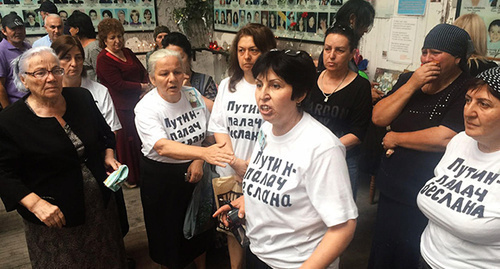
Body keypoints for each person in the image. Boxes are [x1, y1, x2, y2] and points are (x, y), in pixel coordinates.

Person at [214, 49, 358, 269]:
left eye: (276, 85)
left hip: (296, 264)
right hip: (258, 254)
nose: (263, 94)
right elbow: (270, 179)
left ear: (300, 94)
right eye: (260, 84)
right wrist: (248, 202)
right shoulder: (266, 130)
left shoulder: (323, 148)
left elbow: (344, 226)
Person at [0, 46, 127, 268]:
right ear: (24, 79)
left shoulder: (81, 98)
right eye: (40, 72)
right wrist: (35, 203)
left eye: (56, 70)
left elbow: (105, 133)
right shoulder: (10, 121)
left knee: (107, 255)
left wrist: (108, 154)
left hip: (99, 204)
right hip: (54, 214)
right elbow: (3, 173)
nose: (50, 78)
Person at [368, 24, 473, 269]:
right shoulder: (409, 79)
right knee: (383, 251)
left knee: (410, 253)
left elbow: (445, 137)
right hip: (392, 183)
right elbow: (379, 117)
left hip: (427, 190)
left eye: (435, 53)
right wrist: (412, 84)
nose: (427, 59)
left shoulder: (466, 88)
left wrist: (396, 139)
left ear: (457, 58)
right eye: (424, 52)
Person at [135, 48, 233, 269]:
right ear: (152, 78)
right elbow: (161, 146)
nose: (172, 78)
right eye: (164, 74)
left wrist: (200, 158)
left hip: (195, 172)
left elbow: (208, 133)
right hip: (163, 179)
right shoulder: (146, 107)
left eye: (177, 72)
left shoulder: (192, 94)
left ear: (185, 74)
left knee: (200, 226)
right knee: (167, 233)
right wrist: (202, 154)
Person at [417, 67, 500, 268]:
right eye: (468, 100)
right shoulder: (461, 141)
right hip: (427, 259)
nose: (469, 112)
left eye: (484, 104)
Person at [208, 23, 276, 269]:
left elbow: (275, 132)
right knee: (233, 230)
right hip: (230, 173)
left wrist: (249, 167)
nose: (246, 57)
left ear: (267, 51)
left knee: (262, 230)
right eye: (241, 50)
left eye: (254, 50)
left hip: (261, 174)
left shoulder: (273, 86)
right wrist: (234, 162)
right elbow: (219, 127)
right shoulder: (228, 85)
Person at [305, 26, 372, 200]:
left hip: (342, 160)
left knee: (340, 213)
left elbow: (358, 133)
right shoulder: (311, 79)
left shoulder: (360, 86)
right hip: (308, 157)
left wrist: (324, 149)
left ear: (352, 54)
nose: (331, 55)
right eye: (327, 49)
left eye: (339, 50)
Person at [96, 18, 150, 188]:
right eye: (112, 37)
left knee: (141, 139)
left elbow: (143, 71)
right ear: (104, 39)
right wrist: (142, 87)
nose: (117, 40)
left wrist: (145, 89)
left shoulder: (127, 52)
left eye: (119, 36)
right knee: (128, 142)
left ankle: (144, 173)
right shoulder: (103, 59)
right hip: (121, 107)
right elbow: (118, 84)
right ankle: (131, 177)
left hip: (139, 102)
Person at [52, 35, 121, 132]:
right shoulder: (51, 92)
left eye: (78, 58)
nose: (74, 64)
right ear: (55, 61)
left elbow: (112, 130)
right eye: (67, 58)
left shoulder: (100, 91)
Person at [162, 32, 218, 101]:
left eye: (180, 58)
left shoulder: (205, 82)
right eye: (170, 58)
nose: (175, 63)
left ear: (189, 57)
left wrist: (189, 91)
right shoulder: (162, 83)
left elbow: (213, 110)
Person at [0, 12, 31, 108]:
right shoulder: (1, 50)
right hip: (15, 105)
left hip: (33, 102)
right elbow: (0, 86)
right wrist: (8, 111)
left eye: (21, 28)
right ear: (4, 31)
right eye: (13, 29)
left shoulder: (28, 47)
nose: (18, 31)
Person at [67, 11, 100, 81]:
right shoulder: (78, 46)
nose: (69, 31)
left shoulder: (94, 47)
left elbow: (100, 73)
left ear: (77, 30)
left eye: (71, 27)